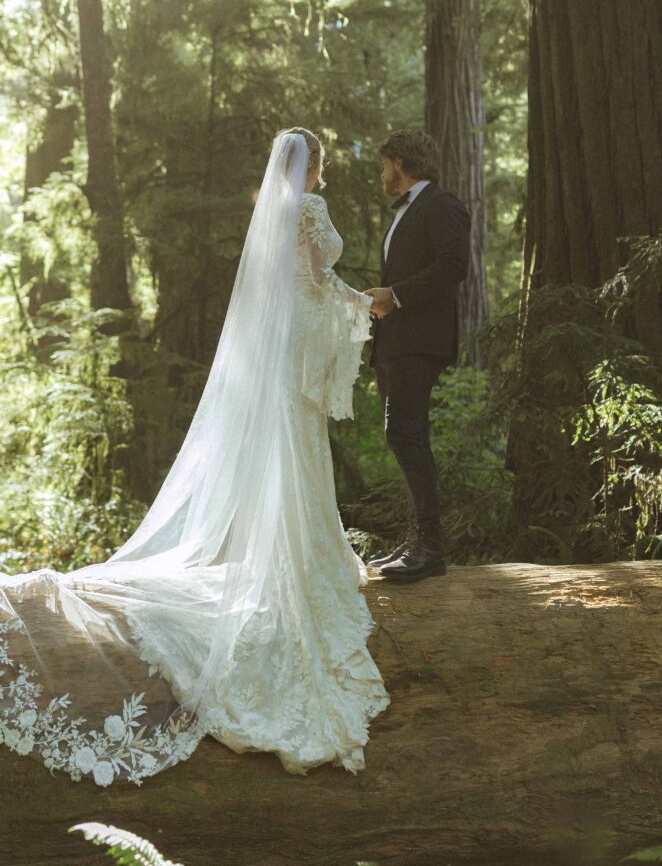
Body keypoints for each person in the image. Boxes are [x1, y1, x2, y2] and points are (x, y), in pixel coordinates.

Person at [0, 129, 389, 786]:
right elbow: (322, 279)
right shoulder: (311, 209)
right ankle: (309, 552)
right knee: (301, 443)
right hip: (299, 329)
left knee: (287, 443)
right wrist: (363, 303)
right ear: (314, 166)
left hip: (277, 336)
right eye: (319, 164)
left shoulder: (272, 209)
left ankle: (296, 546)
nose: (320, 173)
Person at [364, 130, 471, 582]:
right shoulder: (406, 212)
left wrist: (397, 295)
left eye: (385, 165)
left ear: (401, 163)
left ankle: (430, 548)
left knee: (406, 436)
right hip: (395, 343)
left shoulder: (441, 205)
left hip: (419, 342)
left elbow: (453, 266)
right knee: (403, 436)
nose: (383, 174)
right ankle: (415, 542)